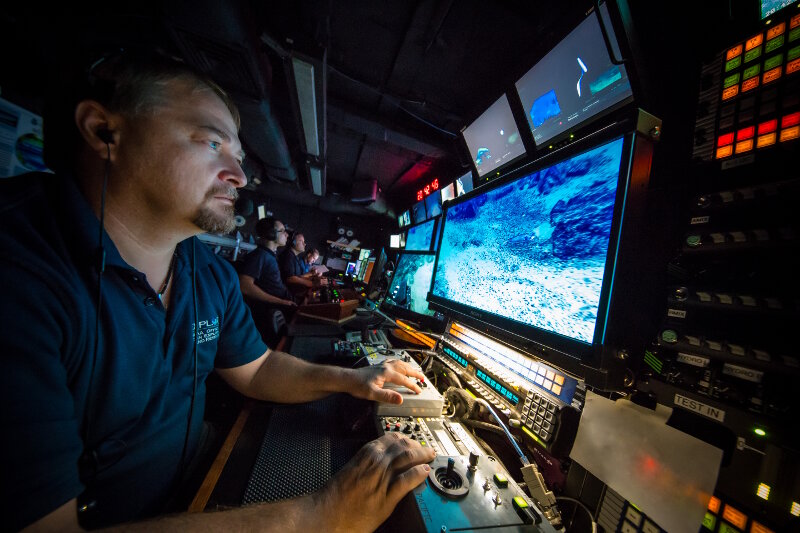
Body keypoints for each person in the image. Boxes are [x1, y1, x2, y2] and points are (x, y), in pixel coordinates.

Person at [0, 49, 434, 531]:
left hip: (191, 483)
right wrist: (319, 516)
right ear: (105, 131)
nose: (241, 176)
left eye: (239, 157)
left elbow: (257, 369)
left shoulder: (207, 272)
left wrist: (351, 380)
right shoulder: (20, 272)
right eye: (212, 144)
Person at [239, 217, 298, 309]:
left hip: (287, 301)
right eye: (282, 231)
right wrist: (281, 302)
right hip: (276, 308)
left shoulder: (269, 255)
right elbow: (244, 286)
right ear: (271, 234)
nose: (287, 235)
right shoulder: (260, 256)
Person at [279, 232, 321, 299]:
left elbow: (298, 277)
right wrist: (311, 283)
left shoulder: (295, 257)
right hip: (286, 295)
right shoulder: (288, 256)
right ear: (294, 242)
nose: (304, 244)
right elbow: (290, 278)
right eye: (301, 241)